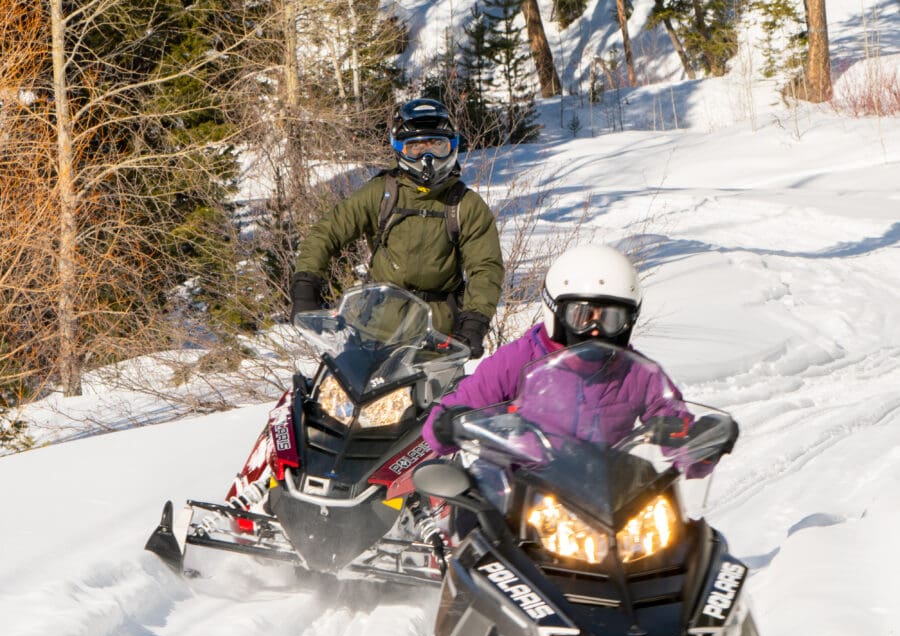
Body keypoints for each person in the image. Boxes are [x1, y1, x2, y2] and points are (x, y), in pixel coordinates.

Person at [424, 243, 737, 459]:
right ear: (556, 311)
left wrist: (699, 443)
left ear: (628, 321)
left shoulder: (636, 373)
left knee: (687, 535)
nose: (596, 329)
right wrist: (449, 423)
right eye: (582, 315)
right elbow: (456, 410)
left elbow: (672, 419)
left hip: (604, 498)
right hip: (517, 494)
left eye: (611, 319)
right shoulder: (517, 360)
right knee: (470, 522)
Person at [290, 98, 504, 360]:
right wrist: (306, 284)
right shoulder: (383, 193)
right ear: (400, 149)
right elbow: (327, 231)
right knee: (335, 382)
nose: (427, 158)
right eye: (415, 148)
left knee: (438, 388)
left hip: (437, 334)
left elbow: (486, 267)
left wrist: (474, 323)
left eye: (437, 146)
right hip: (375, 327)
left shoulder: (465, 205)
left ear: (452, 146)